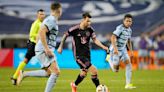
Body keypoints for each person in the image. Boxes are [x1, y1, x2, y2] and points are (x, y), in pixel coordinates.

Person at [16, 2, 62, 92]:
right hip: (45, 50)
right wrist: (46, 48)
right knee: (56, 72)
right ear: (59, 10)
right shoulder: (51, 20)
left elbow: (38, 35)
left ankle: (24, 74)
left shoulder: (49, 20)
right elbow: (41, 32)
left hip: (41, 49)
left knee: (48, 73)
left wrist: (38, 46)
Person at [57, 12, 108, 92]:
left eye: (90, 21)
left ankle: (74, 85)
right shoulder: (75, 29)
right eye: (87, 21)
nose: (89, 23)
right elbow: (65, 35)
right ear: (83, 19)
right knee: (94, 70)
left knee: (83, 73)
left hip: (87, 54)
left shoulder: (90, 30)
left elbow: (95, 39)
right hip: (78, 56)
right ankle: (99, 89)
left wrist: (103, 46)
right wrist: (60, 46)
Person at [11, 9, 45, 85]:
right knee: (26, 60)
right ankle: (15, 76)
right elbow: (31, 34)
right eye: (40, 14)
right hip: (33, 45)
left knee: (26, 60)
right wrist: (39, 36)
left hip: (36, 45)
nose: (42, 16)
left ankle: (14, 77)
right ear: (37, 15)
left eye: (43, 14)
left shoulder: (41, 23)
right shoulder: (36, 23)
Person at [108, 14, 136, 89]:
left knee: (129, 64)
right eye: (127, 21)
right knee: (115, 70)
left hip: (123, 50)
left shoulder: (130, 30)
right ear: (124, 21)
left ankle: (128, 84)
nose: (128, 22)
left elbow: (128, 41)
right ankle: (109, 60)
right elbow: (112, 37)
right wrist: (115, 49)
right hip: (115, 49)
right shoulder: (120, 28)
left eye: (130, 21)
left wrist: (131, 51)